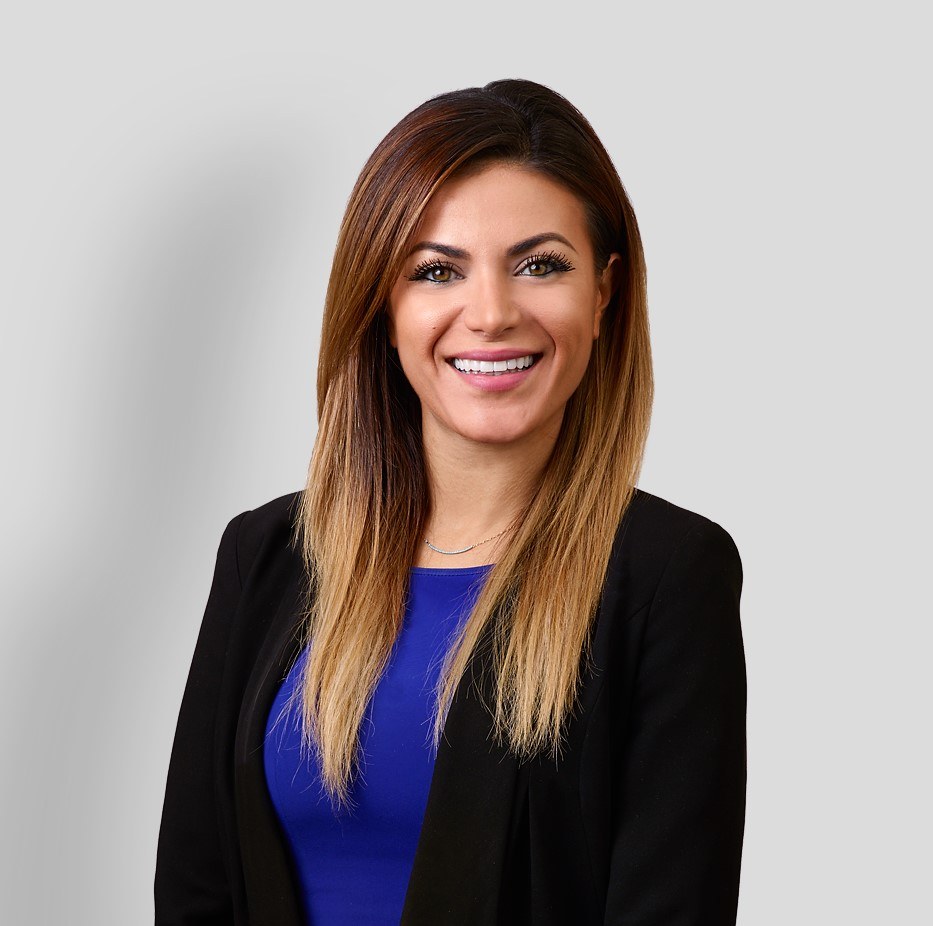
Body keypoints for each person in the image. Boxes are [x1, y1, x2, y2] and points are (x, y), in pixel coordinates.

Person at [155, 78, 747, 926]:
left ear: (603, 293)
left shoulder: (666, 575)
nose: (492, 314)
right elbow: (196, 892)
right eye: (437, 271)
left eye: (540, 265)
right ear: (381, 305)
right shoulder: (267, 554)